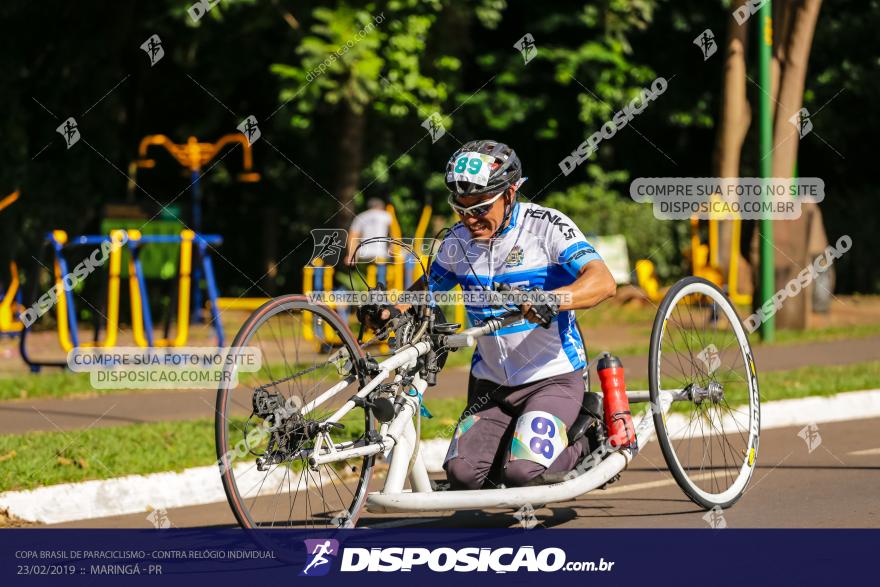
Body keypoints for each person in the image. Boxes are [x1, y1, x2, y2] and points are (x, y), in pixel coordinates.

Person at [359, 139, 616, 489]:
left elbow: (602, 282)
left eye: (480, 208)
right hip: (491, 386)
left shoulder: (546, 226)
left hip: (552, 378)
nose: (469, 219)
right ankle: (511, 440)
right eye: (461, 208)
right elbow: (422, 293)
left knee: (524, 474)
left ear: (510, 194)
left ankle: (589, 438)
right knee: (463, 476)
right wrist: (388, 311)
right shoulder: (457, 241)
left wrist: (554, 299)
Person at [345, 198, 392, 266]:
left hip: (363, 253)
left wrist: (351, 255)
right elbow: (394, 234)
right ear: (381, 207)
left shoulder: (361, 216)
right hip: (381, 253)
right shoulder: (387, 216)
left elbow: (353, 236)